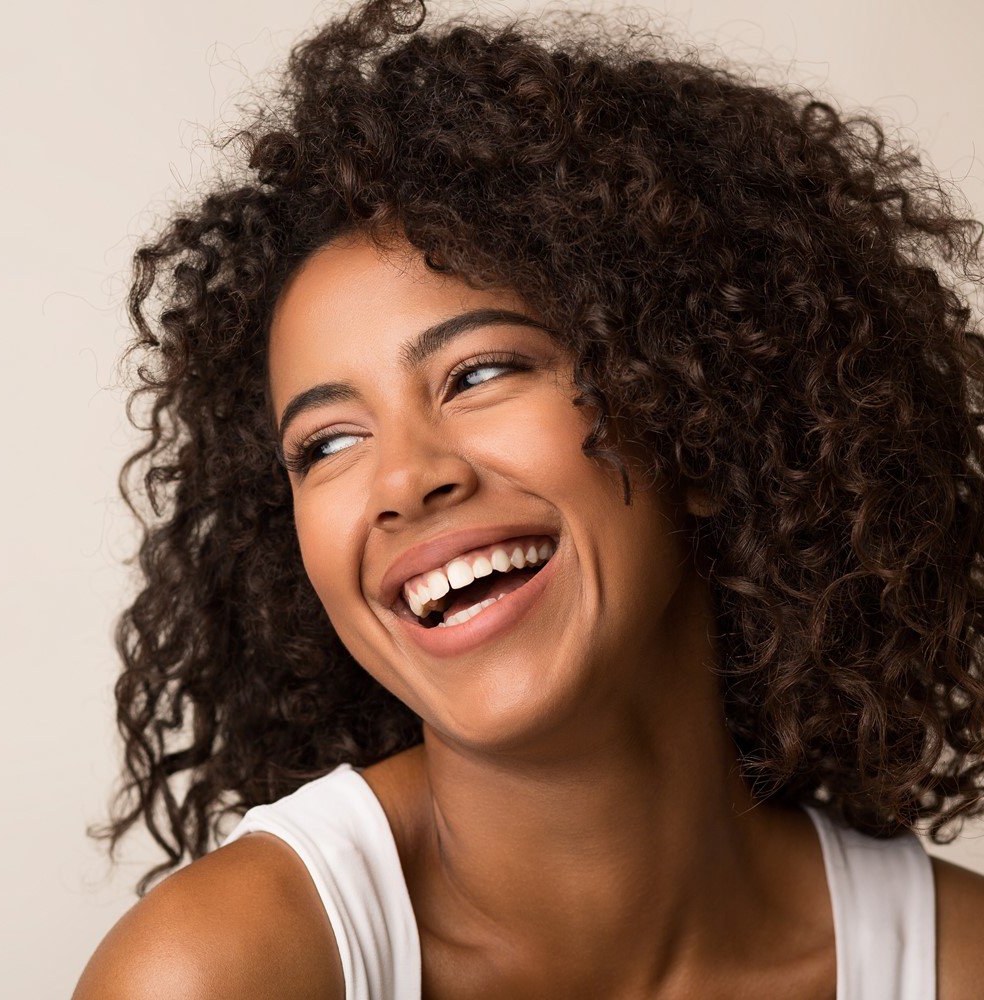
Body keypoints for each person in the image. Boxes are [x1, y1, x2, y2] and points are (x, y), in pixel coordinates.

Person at [73, 1, 984, 997]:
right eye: (327, 442)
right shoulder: (227, 971)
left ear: (695, 408)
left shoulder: (953, 963)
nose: (406, 478)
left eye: (479, 373)